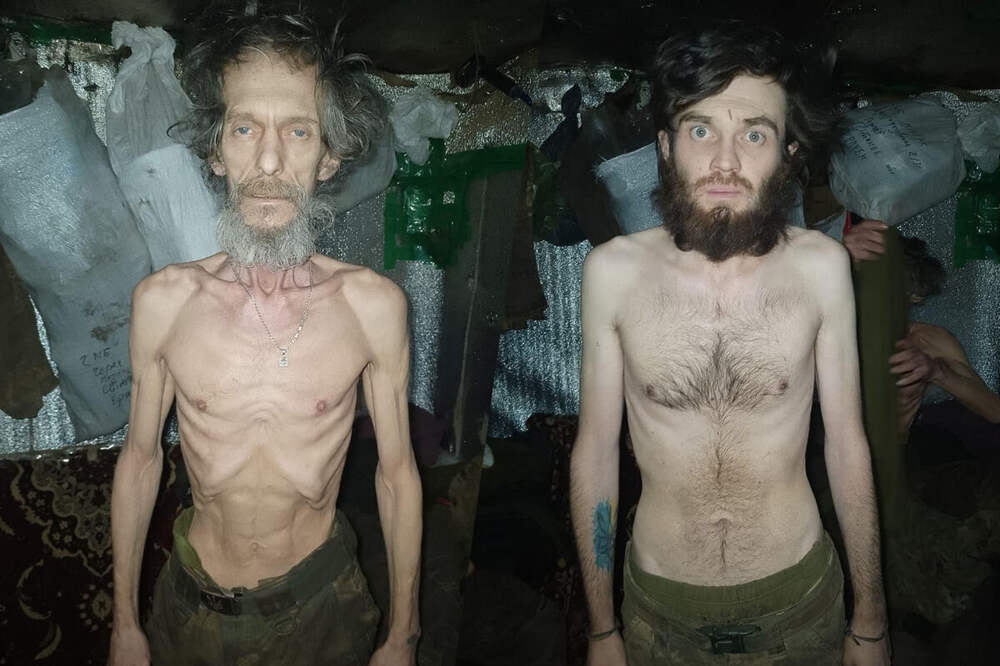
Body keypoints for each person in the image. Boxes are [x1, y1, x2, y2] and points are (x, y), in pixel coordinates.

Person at [108, 6, 421, 666]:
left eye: (299, 131)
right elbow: (139, 459)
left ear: (329, 158)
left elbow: (397, 474)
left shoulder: (373, 308)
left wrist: (403, 634)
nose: (270, 160)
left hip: (320, 610)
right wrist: (124, 624)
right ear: (215, 150)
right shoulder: (164, 302)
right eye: (245, 128)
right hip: (188, 606)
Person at [570, 21, 890, 665]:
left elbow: (848, 446)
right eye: (700, 130)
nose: (724, 161)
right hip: (660, 615)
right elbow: (596, 454)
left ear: (787, 155)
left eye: (753, 134)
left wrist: (871, 618)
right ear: (665, 147)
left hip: (800, 604)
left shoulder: (821, 268)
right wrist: (602, 629)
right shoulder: (612, 273)